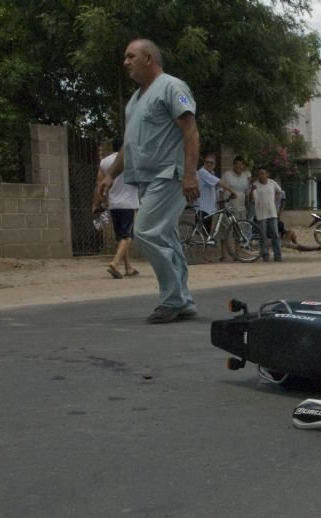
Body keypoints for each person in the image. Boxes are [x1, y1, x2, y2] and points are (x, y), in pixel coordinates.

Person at [95, 38, 200, 324]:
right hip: (146, 180)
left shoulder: (172, 87)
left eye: (131, 56)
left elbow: (190, 131)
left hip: (170, 175)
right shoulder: (135, 100)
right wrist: (111, 175)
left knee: (146, 232)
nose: (125, 62)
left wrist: (190, 174)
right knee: (166, 237)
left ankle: (173, 299)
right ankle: (183, 300)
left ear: (149, 59)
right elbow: (129, 147)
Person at [94, 136, 140, 279]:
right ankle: (115, 263)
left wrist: (100, 201)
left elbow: (99, 183)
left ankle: (128, 268)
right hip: (129, 203)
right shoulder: (132, 160)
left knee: (121, 237)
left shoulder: (105, 162)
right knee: (128, 236)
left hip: (113, 204)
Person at [196, 154, 238, 261]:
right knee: (202, 233)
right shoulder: (202, 172)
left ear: (214, 165)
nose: (209, 164)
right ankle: (201, 256)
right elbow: (219, 183)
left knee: (207, 234)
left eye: (211, 162)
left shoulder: (212, 173)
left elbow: (216, 191)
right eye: (207, 162)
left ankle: (204, 256)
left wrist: (223, 199)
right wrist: (232, 191)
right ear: (203, 163)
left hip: (210, 208)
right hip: (202, 207)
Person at [250, 166, 284, 262]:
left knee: (275, 234)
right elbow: (251, 200)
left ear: (267, 174)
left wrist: (276, 199)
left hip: (272, 212)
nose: (261, 175)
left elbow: (279, 191)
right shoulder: (255, 185)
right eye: (259, 174)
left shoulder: (272, 182)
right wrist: (252, 190)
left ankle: (278, 255)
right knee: (263, 235)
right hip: (261, 214)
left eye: (263, 173)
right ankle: (265, 255)